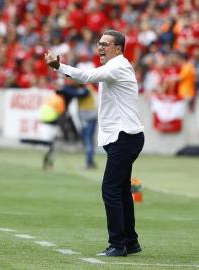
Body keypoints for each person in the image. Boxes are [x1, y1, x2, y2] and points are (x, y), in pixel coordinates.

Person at [45, 29, 145, 257]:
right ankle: (130, 242)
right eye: (99, 43)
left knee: (110, 189)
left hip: (124, 137)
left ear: (118, 48)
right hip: (125, 136)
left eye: (105, 44)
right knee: (120, 190)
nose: (100, 47)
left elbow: (87, 77)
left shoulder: (117, 65)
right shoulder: (116, 66)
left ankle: (117, 244)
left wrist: (59, 67)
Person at [56, 80, 98, 169]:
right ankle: (90, 161)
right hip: (88, 116)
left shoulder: (86, 89)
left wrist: (64, 89)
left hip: (89, 117)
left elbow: (78, 94)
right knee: (88, 139)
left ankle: (89, 163)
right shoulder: (85, 88)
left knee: (88, 140)